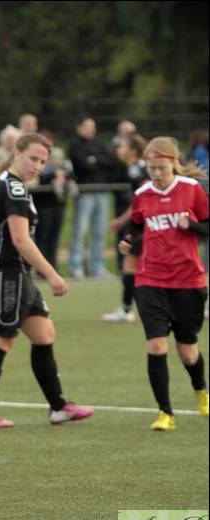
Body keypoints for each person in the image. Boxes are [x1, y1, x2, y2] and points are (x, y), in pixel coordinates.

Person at [0, 133, 94, 429]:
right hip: (9, 274)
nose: (37, 165)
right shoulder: (13, 187)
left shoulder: (11, 185)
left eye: (43, 161)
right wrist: (52, 273)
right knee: (1, 339)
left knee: (44, 334)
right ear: (16, 153)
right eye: (33, 158)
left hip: (12, 273)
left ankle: (59, 407)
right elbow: (20, 240)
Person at [121, 137, 209, 431]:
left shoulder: (192, 189)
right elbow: (136, 226)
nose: (156, 174)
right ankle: (165, 413)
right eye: (152, 168)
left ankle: (201, 391)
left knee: (188, 352)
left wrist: (191, 225)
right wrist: (128, 241)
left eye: (162, 168)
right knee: (157, 344)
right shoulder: (142, 194)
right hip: (150, 279)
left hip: (187, 280)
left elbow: (207, 225)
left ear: (173, 164)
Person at [104, 134, 148, 323]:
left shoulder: (140, 169)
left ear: (133, 150)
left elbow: (143, 200)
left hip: (147, 225)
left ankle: (128, 310)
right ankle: (128, 308)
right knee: (134, 266)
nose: (118, 149)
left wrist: (121, 221)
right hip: (143, 224)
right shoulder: (133, 169)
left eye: (122, 146)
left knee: (130, 265)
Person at [68, 116, 116, 279]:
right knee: (80, 232)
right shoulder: (75, 145)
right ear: (79, 127)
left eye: (92, 126)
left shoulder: (99, 143)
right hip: (85, 192)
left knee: (99, 232)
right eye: (88, 126)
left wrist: (94, 160)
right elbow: (83, 165)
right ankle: (76, 267)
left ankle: (97, 268)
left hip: (102, 192)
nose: (91, 129)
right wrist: (95, 161)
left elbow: (110, 161)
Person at [33, 131, 77, 270]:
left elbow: (71, 174)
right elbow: (38, 178)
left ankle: (52, 266)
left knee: (54, 236)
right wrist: (54, 174)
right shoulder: (36, 159)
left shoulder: (59, 157)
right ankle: (41, 268)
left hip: (58, 204)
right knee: (43, 236)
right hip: (43, 204)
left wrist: (63, 174)